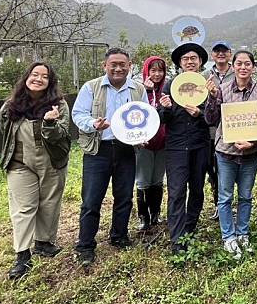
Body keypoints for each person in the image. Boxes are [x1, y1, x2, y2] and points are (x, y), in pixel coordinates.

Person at [72, 48, 148, 266]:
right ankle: (85, 245)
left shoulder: (137, 89)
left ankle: (119, 236)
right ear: (105, 66)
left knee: (124, 196)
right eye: (113, 64)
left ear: (130, 65)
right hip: (98, 150)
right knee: (91, 199)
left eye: (122, 64)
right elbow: (78, 114)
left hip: (126, 149)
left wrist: (141, 136)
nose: (118, 68)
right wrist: (93, 124)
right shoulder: (92, 87)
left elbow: (144, 116)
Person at [0, 62, 71, 279]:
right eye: (34, 74)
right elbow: (3, 126)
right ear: (27, 77)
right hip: (19, 161)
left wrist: (49, 123)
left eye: (44, 76)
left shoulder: (59, 105)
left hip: (51, 159)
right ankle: (22, 256)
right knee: (22, 207)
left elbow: (63, 134)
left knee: (49, 202)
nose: (38, 79)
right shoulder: (13, 103)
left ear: (50, 82)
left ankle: (44, 243)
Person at [204, 51, 257, 258]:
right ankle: (228, 237)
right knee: (225, 196)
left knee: (246, 195)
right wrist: (211, 98)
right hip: (226, 152)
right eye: (239, 63)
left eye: (247, 64)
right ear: (233, 65)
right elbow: (210, 119)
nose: (243, 67)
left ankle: (243, 233)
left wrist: (254, 140)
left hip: (251, 153)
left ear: (254, 67)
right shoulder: (222, 90)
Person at [158, 42, 211, 254]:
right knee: (177, 191)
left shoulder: (207, 86)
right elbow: (161, 118)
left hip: (200, 145)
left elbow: (215, 117)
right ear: (180, 63)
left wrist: (201, 114)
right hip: (176, 147)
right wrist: (167, 109)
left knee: (197, 190)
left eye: (194, 58)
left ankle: (190, 228)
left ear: (200, 62)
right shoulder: (170, 85)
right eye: (185, 59)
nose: (190, 62)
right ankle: (177, 239)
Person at [202, 41, 235, 220]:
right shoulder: (204, 76)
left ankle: (229, 203)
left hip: (233, 130)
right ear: (212, 55)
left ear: (230, 53)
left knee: (229, 170)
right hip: (210, 132)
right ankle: (218, 204)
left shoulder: (237, 73)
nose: (220, 54)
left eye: (224, 51)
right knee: (212, 169)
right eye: (217, 51)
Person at [136, 56, 167, 232]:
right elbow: (135, 113)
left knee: (157, 179)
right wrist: (147, 92)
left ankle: (155, 214)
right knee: (143, 180)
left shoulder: (167, 89)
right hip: (144, 143)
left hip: (163, 142)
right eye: (153, 70)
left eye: (160, 70)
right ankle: (143, 217)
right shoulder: (138, 90)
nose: (156, 74)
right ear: (146, 71)